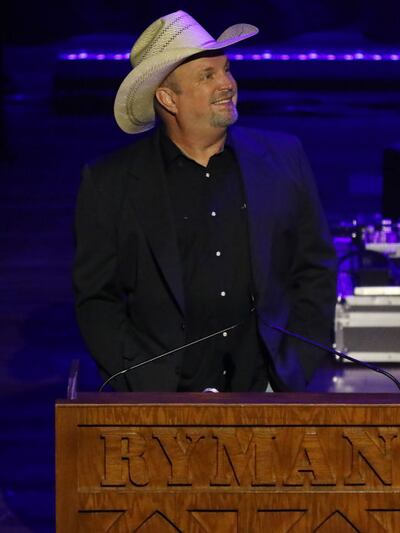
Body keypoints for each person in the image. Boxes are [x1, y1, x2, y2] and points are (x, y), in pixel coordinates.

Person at [73, 11, 337, 392]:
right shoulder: (110, 183)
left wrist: (296, 364)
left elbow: (315, 269)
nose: (227, 84)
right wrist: (138, 381)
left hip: (266, 390)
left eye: (227, 70)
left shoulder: (283, 158)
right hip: (162, 398)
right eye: (207, 76)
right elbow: (96, 298)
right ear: (167, 98)